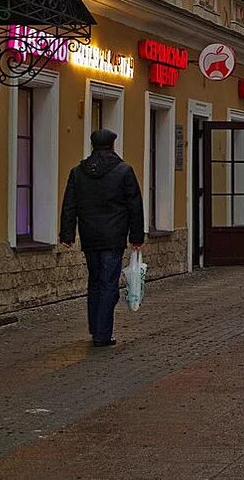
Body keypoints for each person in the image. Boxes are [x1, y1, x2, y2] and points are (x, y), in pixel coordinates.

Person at [59, 129, 145, 348]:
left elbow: (70, 205)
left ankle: (95, 326)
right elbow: (134, 205)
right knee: (108, 283)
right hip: (114, 237)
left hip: (90, 236)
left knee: (95, 280)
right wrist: (136, 236)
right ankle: (102, 333)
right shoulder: (124, 171)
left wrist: (67, 234)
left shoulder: (78, 172)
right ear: (112, 145)